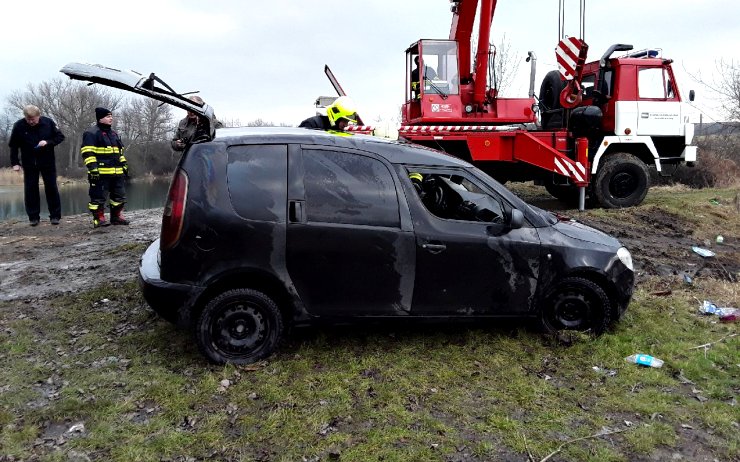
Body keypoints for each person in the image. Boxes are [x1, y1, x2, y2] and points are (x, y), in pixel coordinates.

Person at [8, 105, 65, 226]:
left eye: (33, 119)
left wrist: (48, 142)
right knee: (30, 189)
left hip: (47, 161)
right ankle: (33, 217)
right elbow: (13, 146)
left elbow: (60, 137)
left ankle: (55, 216)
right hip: (29, 162)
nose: (31, 121)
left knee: (51, 187)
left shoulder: (48, 122)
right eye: (28, 119)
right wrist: (15, 163)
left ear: (38, 116)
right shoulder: (19, 126)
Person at [81, 107, 128, 228]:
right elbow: (88, 152)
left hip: (117, 173)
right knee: (98, 198)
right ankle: (99, 219)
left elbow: (120, 153)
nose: (111, 118)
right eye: (108, 116)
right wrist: (93, 169)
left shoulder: (114, 134)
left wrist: (124, 165)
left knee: (119, 196)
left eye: (111, 116)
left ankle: (116, 217)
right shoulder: (91, 133)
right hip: (100, 174)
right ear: (100, 118)